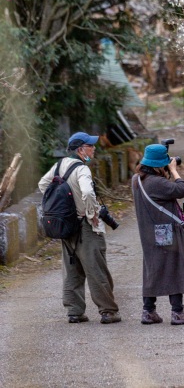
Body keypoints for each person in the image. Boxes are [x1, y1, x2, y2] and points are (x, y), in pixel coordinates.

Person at [37, 132, 121, 324]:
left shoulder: (59, 165)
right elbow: (88, 192)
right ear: (81, 149)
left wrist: (62, 206)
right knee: (96, 269)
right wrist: (91, 214)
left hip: (66, 225)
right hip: (84, 226)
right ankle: (108, 311)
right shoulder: (82, 169)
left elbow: (43, 185)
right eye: (90, 146)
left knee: (72, 269)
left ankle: (74, 311)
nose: (94, 148)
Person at [131, 143, 184, 325]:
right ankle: (177, 312)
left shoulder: (136, 180)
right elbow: (182, 190)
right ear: (159, 164)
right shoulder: (157, 183)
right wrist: (174, 171)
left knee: (153, 268)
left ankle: (148, 311)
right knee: (174, 267)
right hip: (165, 231)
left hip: (148, 232)